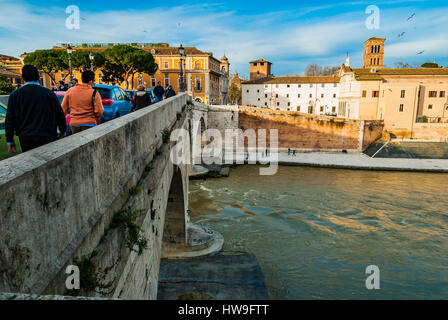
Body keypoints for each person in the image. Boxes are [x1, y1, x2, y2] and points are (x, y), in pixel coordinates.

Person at [5, 65, 67, 153]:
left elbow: (10, 119)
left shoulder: (15, 95)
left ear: (22, 77)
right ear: (38, 77)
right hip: (47, 134)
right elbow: (59, 115)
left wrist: (10, 140)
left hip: (26, 136)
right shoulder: (49, 93)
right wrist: (63, 131)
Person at [61, 70, 104, 134]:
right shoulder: (94, 93)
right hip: (89, 124)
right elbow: (99, 111)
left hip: (74, 124)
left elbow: (63, 109)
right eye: (94, 81)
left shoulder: (70, 91)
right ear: (90, 81)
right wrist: (94, 116)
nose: (94, 83)